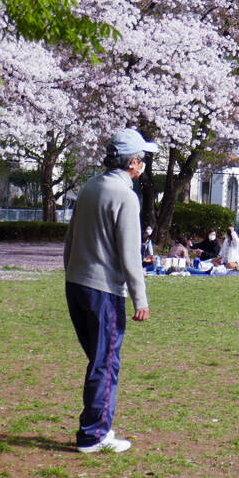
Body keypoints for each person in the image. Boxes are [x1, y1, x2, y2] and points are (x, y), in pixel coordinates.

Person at [63, 128, 154, 454]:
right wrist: (139, 298)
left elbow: (70, 238)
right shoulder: (125, 197)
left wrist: (71, 271)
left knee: (98, 360)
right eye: (142, 159)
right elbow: (130, 253)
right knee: (106, 361)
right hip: (103, 291)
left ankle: (97, 424)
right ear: (133, 163)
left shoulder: (91, 187)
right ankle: (94, 434)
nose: (144, 164)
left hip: (77, 285)